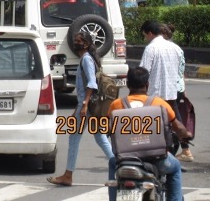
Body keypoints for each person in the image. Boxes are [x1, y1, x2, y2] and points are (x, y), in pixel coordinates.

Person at [107, 66, 191, 201]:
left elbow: (108, 128)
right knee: (175, 168)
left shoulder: (115, 105)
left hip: (124, 160)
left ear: (128, 84)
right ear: (147, 85)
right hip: (157, 160)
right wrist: (185, 134)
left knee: (112, 162)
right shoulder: (159, 103)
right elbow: (179, 128)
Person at [48, 32, 114, 187]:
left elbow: (92, 83)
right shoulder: (88, 58)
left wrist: (83, 105)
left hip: (88, 106)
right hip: (88, 106)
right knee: (100, 138)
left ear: (85, 44)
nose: (75, 42)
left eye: (78, 40)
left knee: (74, 138)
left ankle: (67, 175)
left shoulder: (86, 59)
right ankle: (120, 169)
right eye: (75, 40)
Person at [138, 20, 186, 154]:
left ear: (150, 33)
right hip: (171, 95)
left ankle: (156, 154)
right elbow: (179, 71)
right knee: (172, 125)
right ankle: (173, 154)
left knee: (153, 128)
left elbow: (143, 72)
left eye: (145, 35)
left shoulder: (151, 48)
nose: (146, 38)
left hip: (154, 96)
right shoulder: (175, 48)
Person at [159, 23, 193, 161]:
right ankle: (182, 148)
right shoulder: (177, 49)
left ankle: (184, 149)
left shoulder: (166, 49)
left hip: (170, 88)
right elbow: (181, 71)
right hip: (178, 87)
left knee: (174, 119)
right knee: (173, 117)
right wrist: (183, 89)